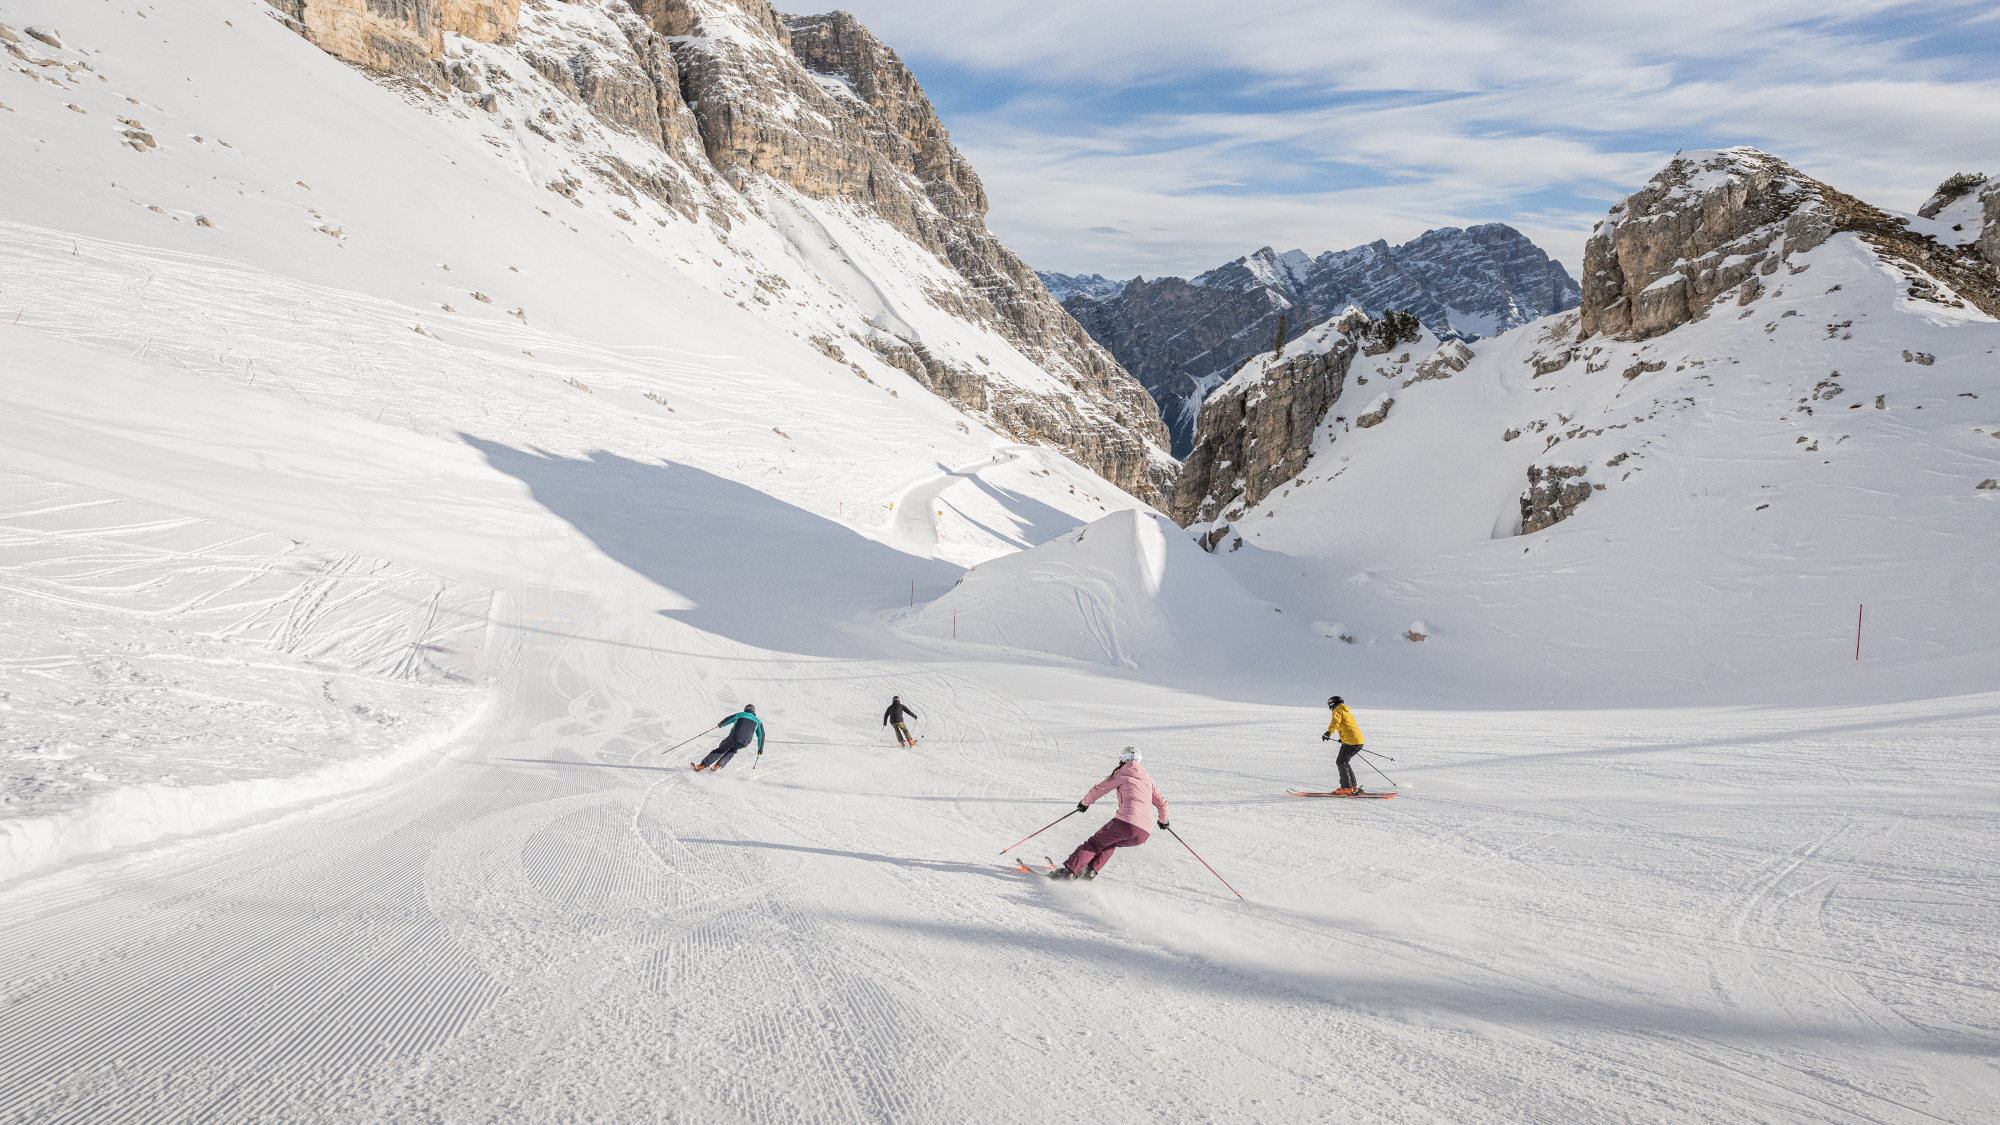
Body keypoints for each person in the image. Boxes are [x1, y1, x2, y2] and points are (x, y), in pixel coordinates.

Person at [1052, 747, 1168, 880]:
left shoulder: (1122, 774)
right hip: (1143, 833)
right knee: (1110, 843)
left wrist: (1085, 803)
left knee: (1094, 843)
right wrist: (1164, 821)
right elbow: (1162, 803)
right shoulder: (1148, 781)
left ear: (1123, 759)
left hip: (1126, 823)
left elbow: (1099, 789)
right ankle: (1089, 872)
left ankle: (1069, 872)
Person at [695, 705, 763, 771]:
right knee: (733, 751)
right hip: (745, 742)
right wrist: (760, 749)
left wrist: (721, 724)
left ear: (745, 709)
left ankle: (703, 765)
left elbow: (728, 719)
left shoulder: (740, 714)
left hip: (734, 736)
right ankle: (717, 766)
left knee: (722, 749)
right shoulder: (758, 721)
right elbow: (761, 736)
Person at [1321, 695, 1365, 794]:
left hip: (1351, 741)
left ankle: (1346, 788)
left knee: (1341, 762)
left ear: (1331, 705)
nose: (1330, 710)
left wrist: (1328, 733)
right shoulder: (1347, 713)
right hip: (1358, 741)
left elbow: (1335, 723)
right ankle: (1353, 786)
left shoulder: (1338, 711)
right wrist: (1343, 739)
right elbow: (1348, 727)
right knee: (1344, 762)